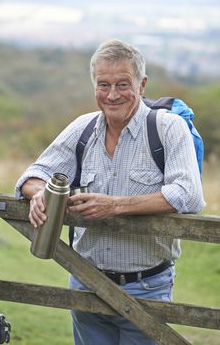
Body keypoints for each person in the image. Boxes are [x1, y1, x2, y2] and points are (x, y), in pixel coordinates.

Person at [15, 39, 205, 345]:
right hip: (84, 282)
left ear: (142, 85)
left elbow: (188, 194)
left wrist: (115, 206)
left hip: (147, 288)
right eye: (103, 84)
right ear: (94, 86)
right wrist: (41, 192)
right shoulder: (83, 127)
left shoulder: (169, 129)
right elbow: (32, 176)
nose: (112, 94)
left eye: (122, 84)